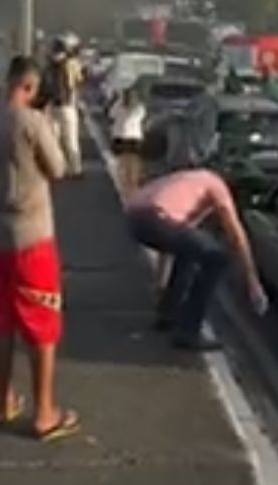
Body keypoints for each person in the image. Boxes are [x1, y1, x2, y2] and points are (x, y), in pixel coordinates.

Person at [0, 56, 79, 442]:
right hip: (30, 238)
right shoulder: (32, 122)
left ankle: (4, 401)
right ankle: (45, 414)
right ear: (28, 87)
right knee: (41, 322)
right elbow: (58, 169)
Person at [125, 168, 268, 351]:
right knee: (218, 258)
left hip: (135, 218)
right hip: (156, 216)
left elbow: (172, 239)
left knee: (190, 252)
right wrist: (253, 282)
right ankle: (188, 331)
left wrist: (160, 280)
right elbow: (237, 237)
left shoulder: (191, 181)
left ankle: (168, 314)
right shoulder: (217, 186)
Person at [41, 38, 83, 178]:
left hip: (54, 105)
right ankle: (75, 168)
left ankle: (59, 168)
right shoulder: (70, 64)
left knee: (55, 140)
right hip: (66, 105)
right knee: (70, 139)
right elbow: (78, 82)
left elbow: (45, 86)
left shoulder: (49, 66)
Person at [110, 86, 147, 194]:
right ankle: (133, 186)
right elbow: (141, 117)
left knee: (122, 162)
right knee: (134, 162)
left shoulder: (118, 106)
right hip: (134, 137)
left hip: (120, 136)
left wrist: (118, 101)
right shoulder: (139, 107)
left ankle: (124, 186)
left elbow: (111, 114)